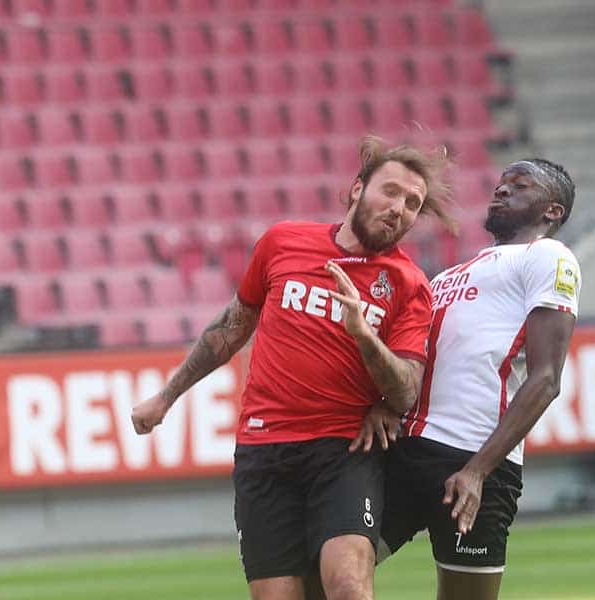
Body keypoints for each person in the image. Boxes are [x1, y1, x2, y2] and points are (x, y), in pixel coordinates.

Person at [130, 135, 454, 600]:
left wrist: (365, 337)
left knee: (348, 589)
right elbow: (230, 328)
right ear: (357, 188)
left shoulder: (408, 285)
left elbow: (405, 391)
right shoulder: (283, 242)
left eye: (412, 203)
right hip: (264, 450)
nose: (399, 208)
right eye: (391, 192)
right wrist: (167, 396)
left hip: (344, 451)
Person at [363, 159, 581, 600]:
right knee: (329, 576)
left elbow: (546, 378)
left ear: (552, 211)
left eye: (519, 186)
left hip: (471, 460)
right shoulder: (450, 275)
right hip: (407, 453)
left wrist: (478, 471)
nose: (501, 191)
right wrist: (387, 402)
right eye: (501, 184)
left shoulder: (548, 256)